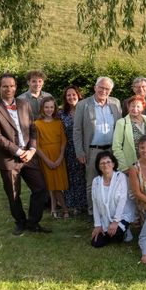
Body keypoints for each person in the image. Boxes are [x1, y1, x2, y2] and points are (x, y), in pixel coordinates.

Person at [0, 73, 49, 235]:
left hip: (29, 155)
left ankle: (33, 223)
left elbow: (33, 128)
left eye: (12, 86)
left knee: (41, 188)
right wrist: (18, 151)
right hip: (9, 158)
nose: (9, 89)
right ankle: (20, 222)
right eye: (5, 86)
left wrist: (32, 149)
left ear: (16, 87)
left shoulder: (24, 104)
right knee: (13, 194)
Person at [73, 76, 122, 215]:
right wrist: (80, 152)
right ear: (95, 87)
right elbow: (77, 130)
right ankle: (93, 212)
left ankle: (111, 210)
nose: (104, 91)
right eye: (101, 87)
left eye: (107, 89)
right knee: (92, 182)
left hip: (112, 149)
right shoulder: (83, 105)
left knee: (112, 180)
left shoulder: (115, 103)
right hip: (93, 150)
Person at [91, 150, 136, 247]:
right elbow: (95, 204)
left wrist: (116, 221)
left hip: (122, 215)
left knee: (117, 234)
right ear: (99, 166)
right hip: (106, 218)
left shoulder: (121, 177)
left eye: (108, 162)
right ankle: (110, 232)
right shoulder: (96, 181)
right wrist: (97, 225)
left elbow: (122, 200)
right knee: (96, 243)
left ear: (113, 164)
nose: (105, 165)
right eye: (102, 163)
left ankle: (124, 229)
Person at [34, 96, 69, 219]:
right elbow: (36, 146)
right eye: (46, 107)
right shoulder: (37, 124)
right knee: (52, 185)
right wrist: (47, 160)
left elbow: (63, 141)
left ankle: (54, 209)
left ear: (55, 108)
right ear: (42, 108)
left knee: (57, 184)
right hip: (45, 156)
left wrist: (60, 157)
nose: (49, 109)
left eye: (51, 107)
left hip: (58, 156)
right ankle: (65, 210)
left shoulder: (58, 122)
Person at [59, 85, 88, 214]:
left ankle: (86, 204)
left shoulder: (86, 110)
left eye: (73, 95)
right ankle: (74, 205)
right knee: (72, 177)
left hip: (84, 147)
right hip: (69, 149)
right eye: (68, 95)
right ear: (65, 98)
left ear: (78, 95)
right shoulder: (61, 113)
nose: (71, 97)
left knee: (84, 176)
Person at [112, 95, 146, 172]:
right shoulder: (121, 123)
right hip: (132, 167)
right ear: (128, 107)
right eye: (132, 106)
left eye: (138, 106)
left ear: (143, 107)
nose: (135, 109)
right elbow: (116, 147)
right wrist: (125, 167)